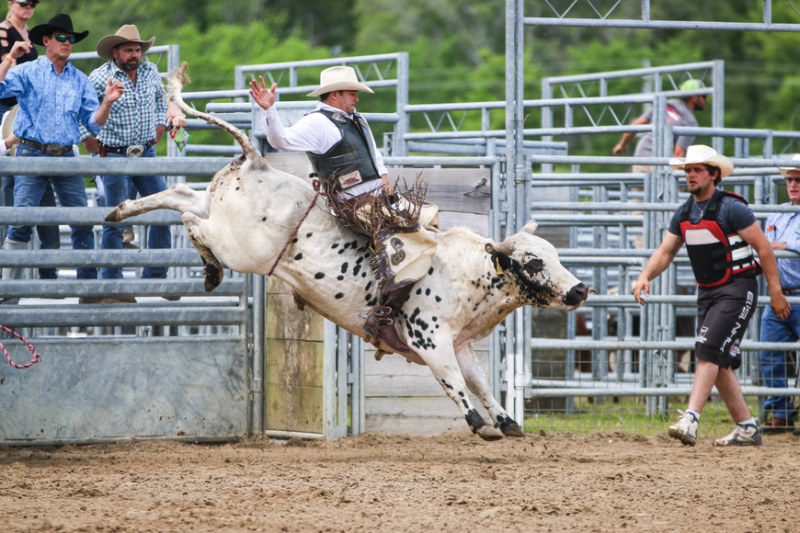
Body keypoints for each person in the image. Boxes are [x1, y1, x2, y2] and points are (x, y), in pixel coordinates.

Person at [250, 66, 437, 354]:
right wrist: (269, 111)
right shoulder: (318, 123)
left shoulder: (356, 119)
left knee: (431, 220)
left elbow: (375, 159)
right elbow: (281, 140)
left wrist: (390, 195)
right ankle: (382, 316)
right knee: (411, 242)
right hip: (354, 205)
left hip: (376, 200)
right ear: (335, 95)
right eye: (352, 93)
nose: (357, 98)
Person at [632, 145, 791, 446]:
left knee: (706, 348)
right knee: (719, 360)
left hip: (737, 289)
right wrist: (644, 276)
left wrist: (775, 292)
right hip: (708, 292)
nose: (690, 175)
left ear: (714, 174)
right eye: (687, 170)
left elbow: (764, 248)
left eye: (697, 170)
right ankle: (747, 427)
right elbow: (666, 251)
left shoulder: (733, 208)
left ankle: (690, 419)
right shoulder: (683, 213)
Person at [0, 13, 124, 291]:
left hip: (66, 155)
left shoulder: (79, 80)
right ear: (46, 41)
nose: (68, 43)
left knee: (81, 220)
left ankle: (88, 290)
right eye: (62, 38)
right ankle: (7, 294)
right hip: (31, 153)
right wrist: (9, 58)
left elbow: (92, 122)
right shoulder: (27, 71)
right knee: (21, 222)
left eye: (71, 39)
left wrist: (107, 102)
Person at [80, 25, 186, 302]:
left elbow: (160, 101)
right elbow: (82, 110)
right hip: (113, 154)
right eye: (129, 49)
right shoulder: (100, 76)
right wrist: (87, 138)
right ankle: (113, 285)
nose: (135, 54)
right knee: (116, 220)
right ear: (115, 52)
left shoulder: (150, 72)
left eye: (138, 49)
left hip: (145, 153)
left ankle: (155, 278)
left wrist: (160, 125)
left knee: (163, 210)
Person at [0, 0, 60, 278]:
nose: (29, 6)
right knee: (9, 190)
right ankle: (11, 274)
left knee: (36, 190)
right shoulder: (3, 31)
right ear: (11, 4)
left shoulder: (29, 36)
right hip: (6, 109)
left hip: (27, 111)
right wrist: (11, 57)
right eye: (23, 2)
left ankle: (43, 276)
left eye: (33, 3)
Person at [757, 154, 800, 435]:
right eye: (790, 180)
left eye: (798, 180)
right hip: (778, 293)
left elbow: (771, 245)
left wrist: (774, 245)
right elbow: (764, 246)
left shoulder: (777, 213)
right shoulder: (777, 210)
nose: (793, 185)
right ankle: (781, 413)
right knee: (768, 352)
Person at [613, 79, 707, 163]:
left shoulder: (666, 104)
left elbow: (633, 126)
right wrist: (672, 180)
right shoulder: (690, 121)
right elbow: (678, 155)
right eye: (704, 96)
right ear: (695, 98)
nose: (707, 101)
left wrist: (621, 144)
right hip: (659, 163)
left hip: (641, 155)